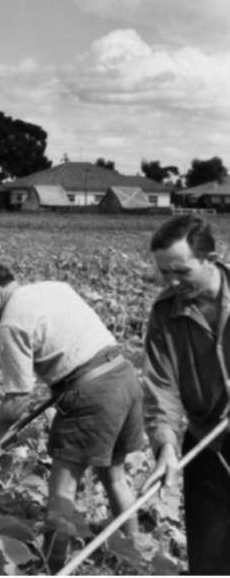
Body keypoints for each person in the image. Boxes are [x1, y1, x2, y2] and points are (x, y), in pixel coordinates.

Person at [0, 260, 143, 573]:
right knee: (114, 478)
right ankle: (137, 556)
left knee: (62, 491)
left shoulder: (11, 324)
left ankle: (50, 568)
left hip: (92, 394)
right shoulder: (53, 288)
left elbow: (18, 395)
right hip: (124, 378)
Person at [141, 214, 230, 574]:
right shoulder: (165, 313)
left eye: (181, 270)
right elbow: (162, 387)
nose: (172, 281)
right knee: (209, 557)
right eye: (164, 273)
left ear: (209, 258)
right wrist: (165, 447)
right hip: (205, 441)